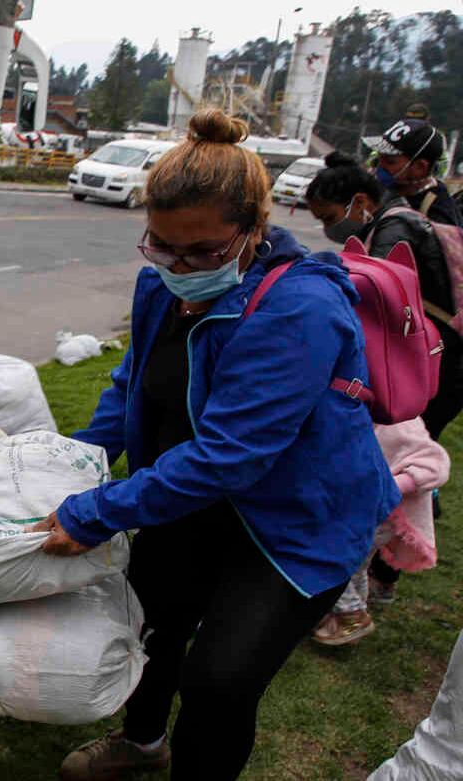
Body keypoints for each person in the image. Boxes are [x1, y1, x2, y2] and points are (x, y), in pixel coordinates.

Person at [38, 109, 399, 780]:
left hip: (293, 522)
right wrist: (68, 466)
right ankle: (142, 741)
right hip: (189, 498)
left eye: (201, 252)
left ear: (254, 229)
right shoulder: (160, 286)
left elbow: (232, 454)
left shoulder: (300, 309)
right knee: (147, 626)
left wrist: (95, 513)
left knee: (220, 679)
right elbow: (133, 386)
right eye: (161, 246)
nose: (178, 267)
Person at [306, 152, 459, 603]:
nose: (327, 228)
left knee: (398, 460)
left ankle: (380, 578)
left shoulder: (392, 234)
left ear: (359, 202)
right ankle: (376, 575)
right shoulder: (396, 220)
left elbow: (373, 314)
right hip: (423, 363)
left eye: (329, 217)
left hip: (417, 370)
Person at [311, 416, 447, 645]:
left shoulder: (400, 423)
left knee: (334, 560)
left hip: (380, 516)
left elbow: (436, 467)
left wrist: (389, 488)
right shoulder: (372, 416)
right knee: (357, 567)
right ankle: (350, 614)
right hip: (372, 514)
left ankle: (350, 615)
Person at [369, 118, 463, 228]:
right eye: (378, 159)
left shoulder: (438, 216)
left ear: (420, 167)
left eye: (390, 162)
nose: (379, 167)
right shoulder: (389, 192)